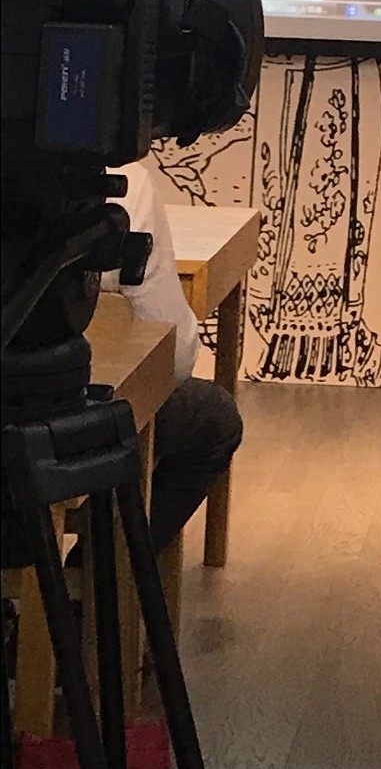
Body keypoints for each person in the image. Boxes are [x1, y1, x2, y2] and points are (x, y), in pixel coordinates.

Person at [106, 163, 244, 553]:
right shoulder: (124, 180)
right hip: (61, 431)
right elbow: (171, 356)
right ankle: (98, 576)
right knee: (214, 417)